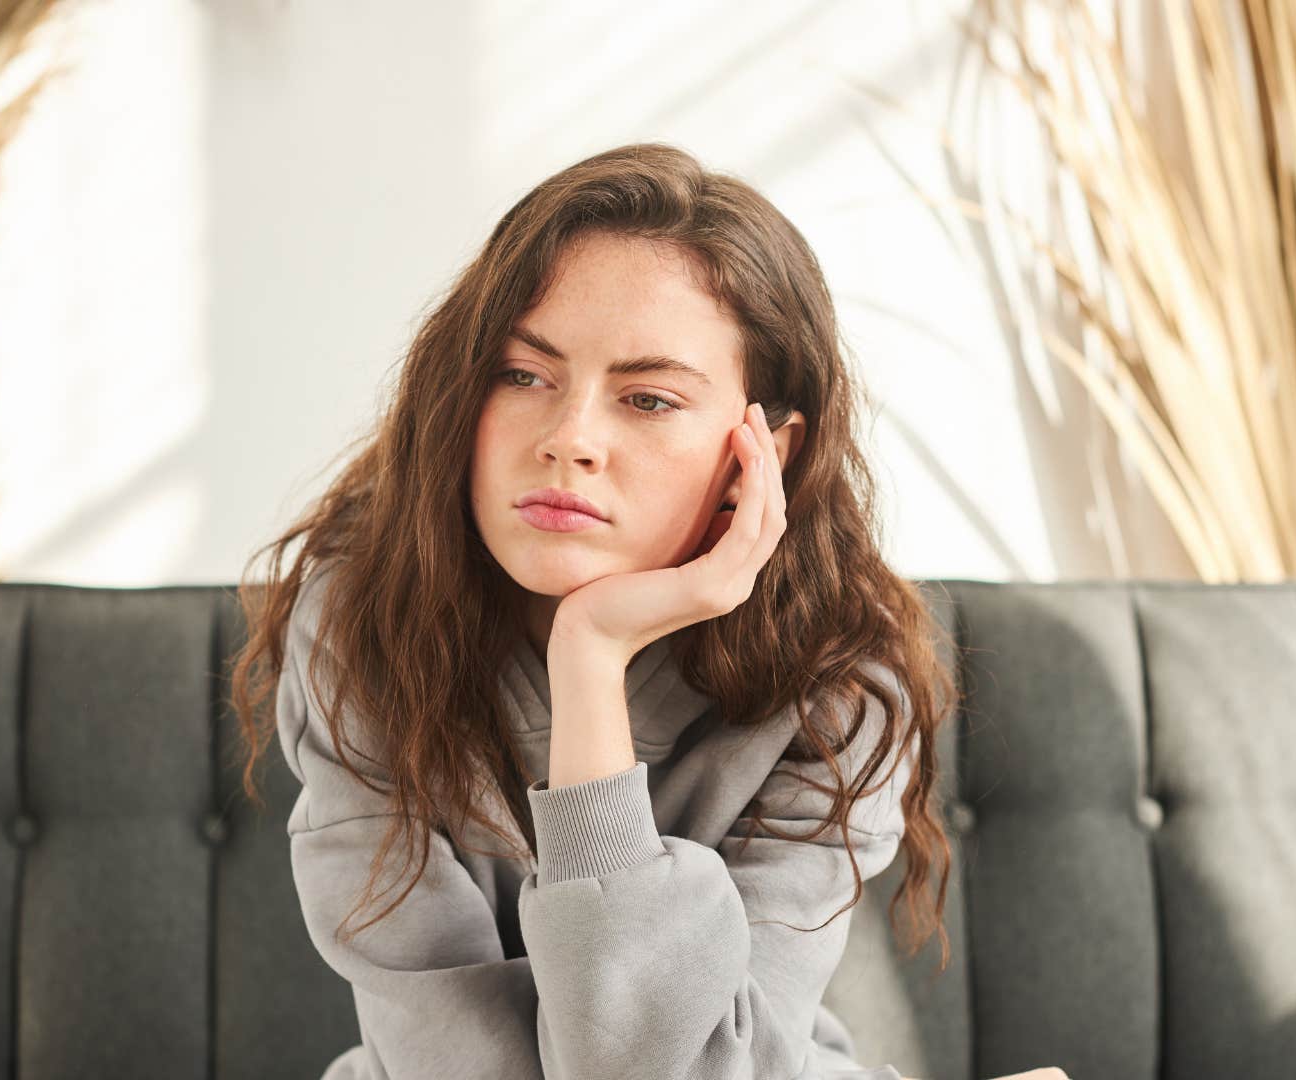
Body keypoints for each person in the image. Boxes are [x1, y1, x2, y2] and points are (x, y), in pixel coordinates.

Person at [228, 142, 1066, 1080]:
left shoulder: (843, 690)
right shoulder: (361, 622)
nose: (570, 438)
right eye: (522, 374)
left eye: (648, 398)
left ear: (764, 454)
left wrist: (590, 660)